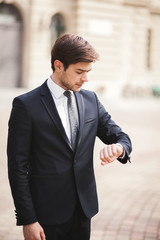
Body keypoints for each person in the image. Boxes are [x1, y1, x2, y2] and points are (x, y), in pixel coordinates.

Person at [7, 33, 132, 240]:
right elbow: (17, 167)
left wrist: (119, 148)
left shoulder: (90, 99)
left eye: (88, 72)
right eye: (79, 71)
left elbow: (121, 136)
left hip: (84, 211)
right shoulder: (26, 106)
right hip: (46, 215)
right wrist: (28, 219)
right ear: (58, 65)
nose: (85, 78)